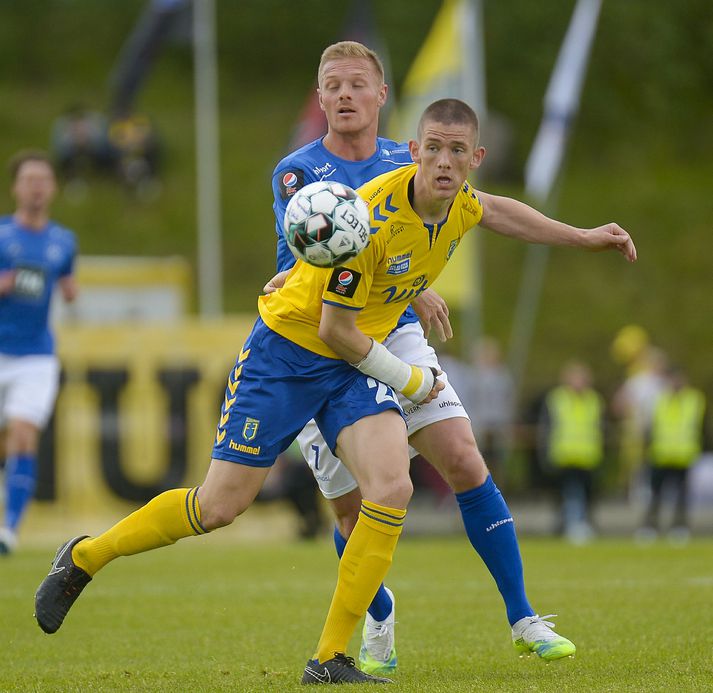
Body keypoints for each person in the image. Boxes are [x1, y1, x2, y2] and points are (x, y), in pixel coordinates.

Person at [34, 95, 636, 685]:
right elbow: (334, 329)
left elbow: (499, 211)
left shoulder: (458, 202)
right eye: (434, 151)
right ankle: (85, 557)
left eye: (457, 152)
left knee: (393, 487)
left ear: (473, 158)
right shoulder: (366, 222)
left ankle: (329, 659)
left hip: (350, 364)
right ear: (414, 152)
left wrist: (585, 237)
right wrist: (413, 380)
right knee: (218, 508)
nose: (445, 163)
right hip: (289, 354)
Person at [267, 41, 579, 674]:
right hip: (325, 335)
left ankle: (523, 618)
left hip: (397, 330)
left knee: (464, 458)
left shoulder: (416, 155)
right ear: (321, 95)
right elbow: (313, 256)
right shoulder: (297, 172)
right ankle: (377, 612)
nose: (347, 94)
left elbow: (462, 217)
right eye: (334, 84)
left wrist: (418, 283)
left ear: (383, 98)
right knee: (353, 510)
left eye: (359, 84)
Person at [0, 150, 78, 554]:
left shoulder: (63, 241)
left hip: (35, 355)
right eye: (29, 179)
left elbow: (67, 281)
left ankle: (9, 531)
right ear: (16, 186)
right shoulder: (1, 236)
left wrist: (70, 290)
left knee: (23, 436)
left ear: (52, 188)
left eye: (43, 180)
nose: (36, 187)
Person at [637, 365, 706, 543]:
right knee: (656, 495)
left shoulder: (694, 400)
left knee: (682, 496)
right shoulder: (658, 400)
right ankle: (650, 527)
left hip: (684, 455)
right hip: (660, 455)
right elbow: (650, 428)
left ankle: (680, 527)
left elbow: (701, 429)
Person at [539, 361, 604, 544]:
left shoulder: (594, 400)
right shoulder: (556, 399)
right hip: (564, 455)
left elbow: (600, 428)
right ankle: (571, 525)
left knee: (586, 494)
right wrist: (545, 454)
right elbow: (546, 428)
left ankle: (580, 524)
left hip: (588, 456)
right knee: (569, 494)